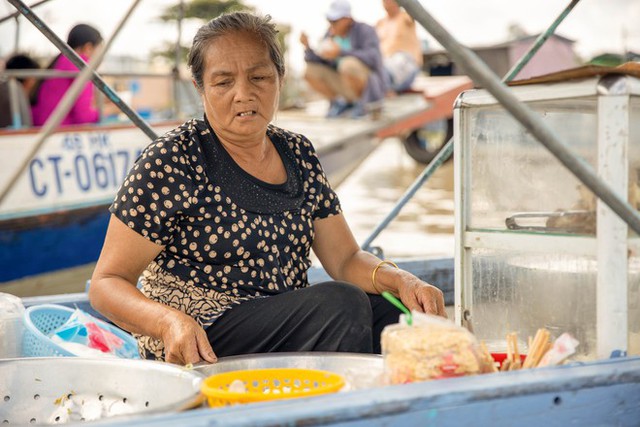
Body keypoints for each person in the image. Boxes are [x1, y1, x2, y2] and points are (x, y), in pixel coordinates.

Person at [89, 11, 446, 365]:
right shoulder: (173, 159)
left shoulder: (298, 153)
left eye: (259, 77)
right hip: (199, 333)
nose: (243, 94)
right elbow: (107, 283)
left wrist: (400, 280)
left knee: (397, 313)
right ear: (200, 88)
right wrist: (168, 322)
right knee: (342, 304)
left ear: (279, 78)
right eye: (223, 82)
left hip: (281, 318)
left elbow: (345, 258)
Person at [300, 0, 387, 118]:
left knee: (347, 65)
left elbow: (374, 58)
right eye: (329, 20)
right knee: (309, 71)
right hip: (343, 84)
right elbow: (319, 61)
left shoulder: (365, 30)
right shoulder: (330, 35)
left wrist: (340, 52)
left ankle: (361, 104)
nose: (331, 24)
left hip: (367, 85)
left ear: (347, 19)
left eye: (334, 21)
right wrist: (307, 47)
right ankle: (340, 103)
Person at [31, 23, 103, 126]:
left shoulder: (61, 61)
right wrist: (115, 109)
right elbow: (84, 117)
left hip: (41, 127)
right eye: (100, 50)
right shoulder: (80, 66)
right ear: (88, 48)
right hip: (59, 131)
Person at [375, 0, 424, 93]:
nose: (387, 2)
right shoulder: (380, 23)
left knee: (397, 59)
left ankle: (385, 85)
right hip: (384, 63)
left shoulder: (406, 17)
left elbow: (417, 11)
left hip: (406, 63)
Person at [0, 53, 40, 128]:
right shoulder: (13, 95)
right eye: (34, 78)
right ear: (29, 78)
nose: (35, 83)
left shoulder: (5, 91)